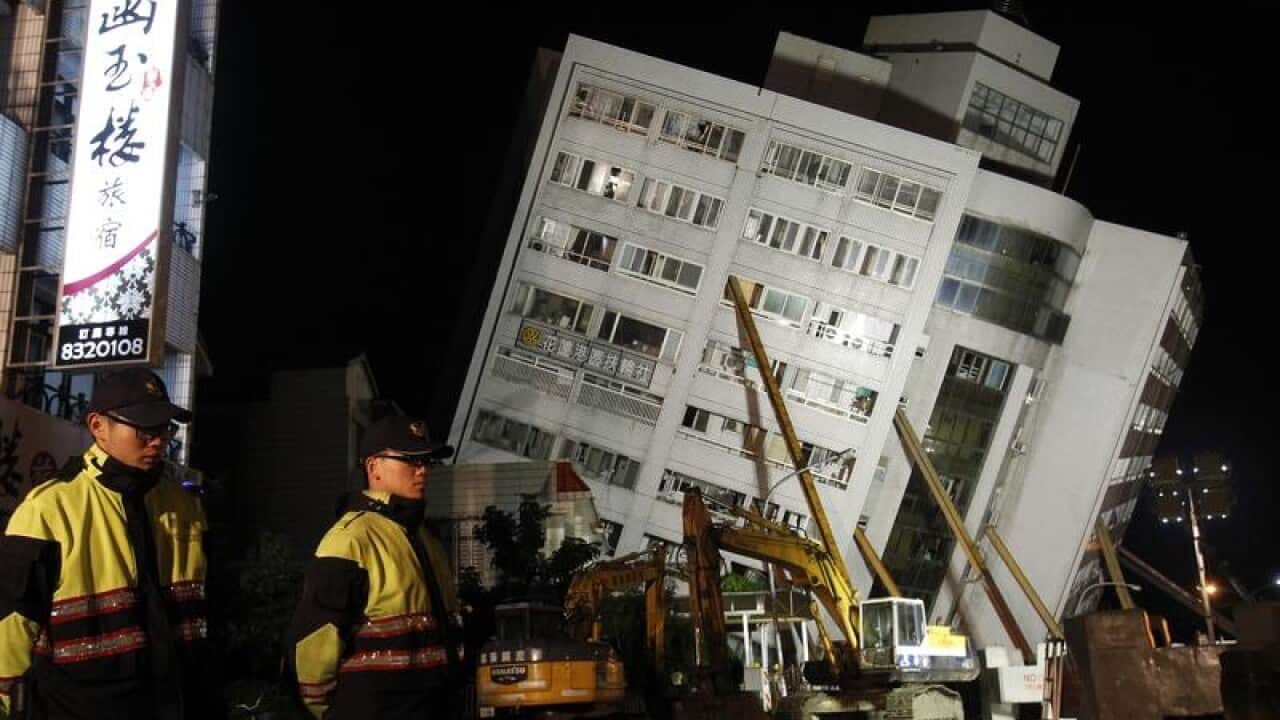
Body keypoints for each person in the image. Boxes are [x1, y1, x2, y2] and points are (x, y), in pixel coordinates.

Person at [0, 367, 214, 719]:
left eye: (165, 428)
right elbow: (11, 628)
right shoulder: (49, 509)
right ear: (98, 426)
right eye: (144, 429)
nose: (158, 441)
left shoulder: (185, 506)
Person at [288, 415, 459, 719]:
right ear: (373, 467)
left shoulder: (426, 539)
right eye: (410, 460)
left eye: (427, 461)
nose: (422, 470)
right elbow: (313, 646)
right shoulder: (350, 539)